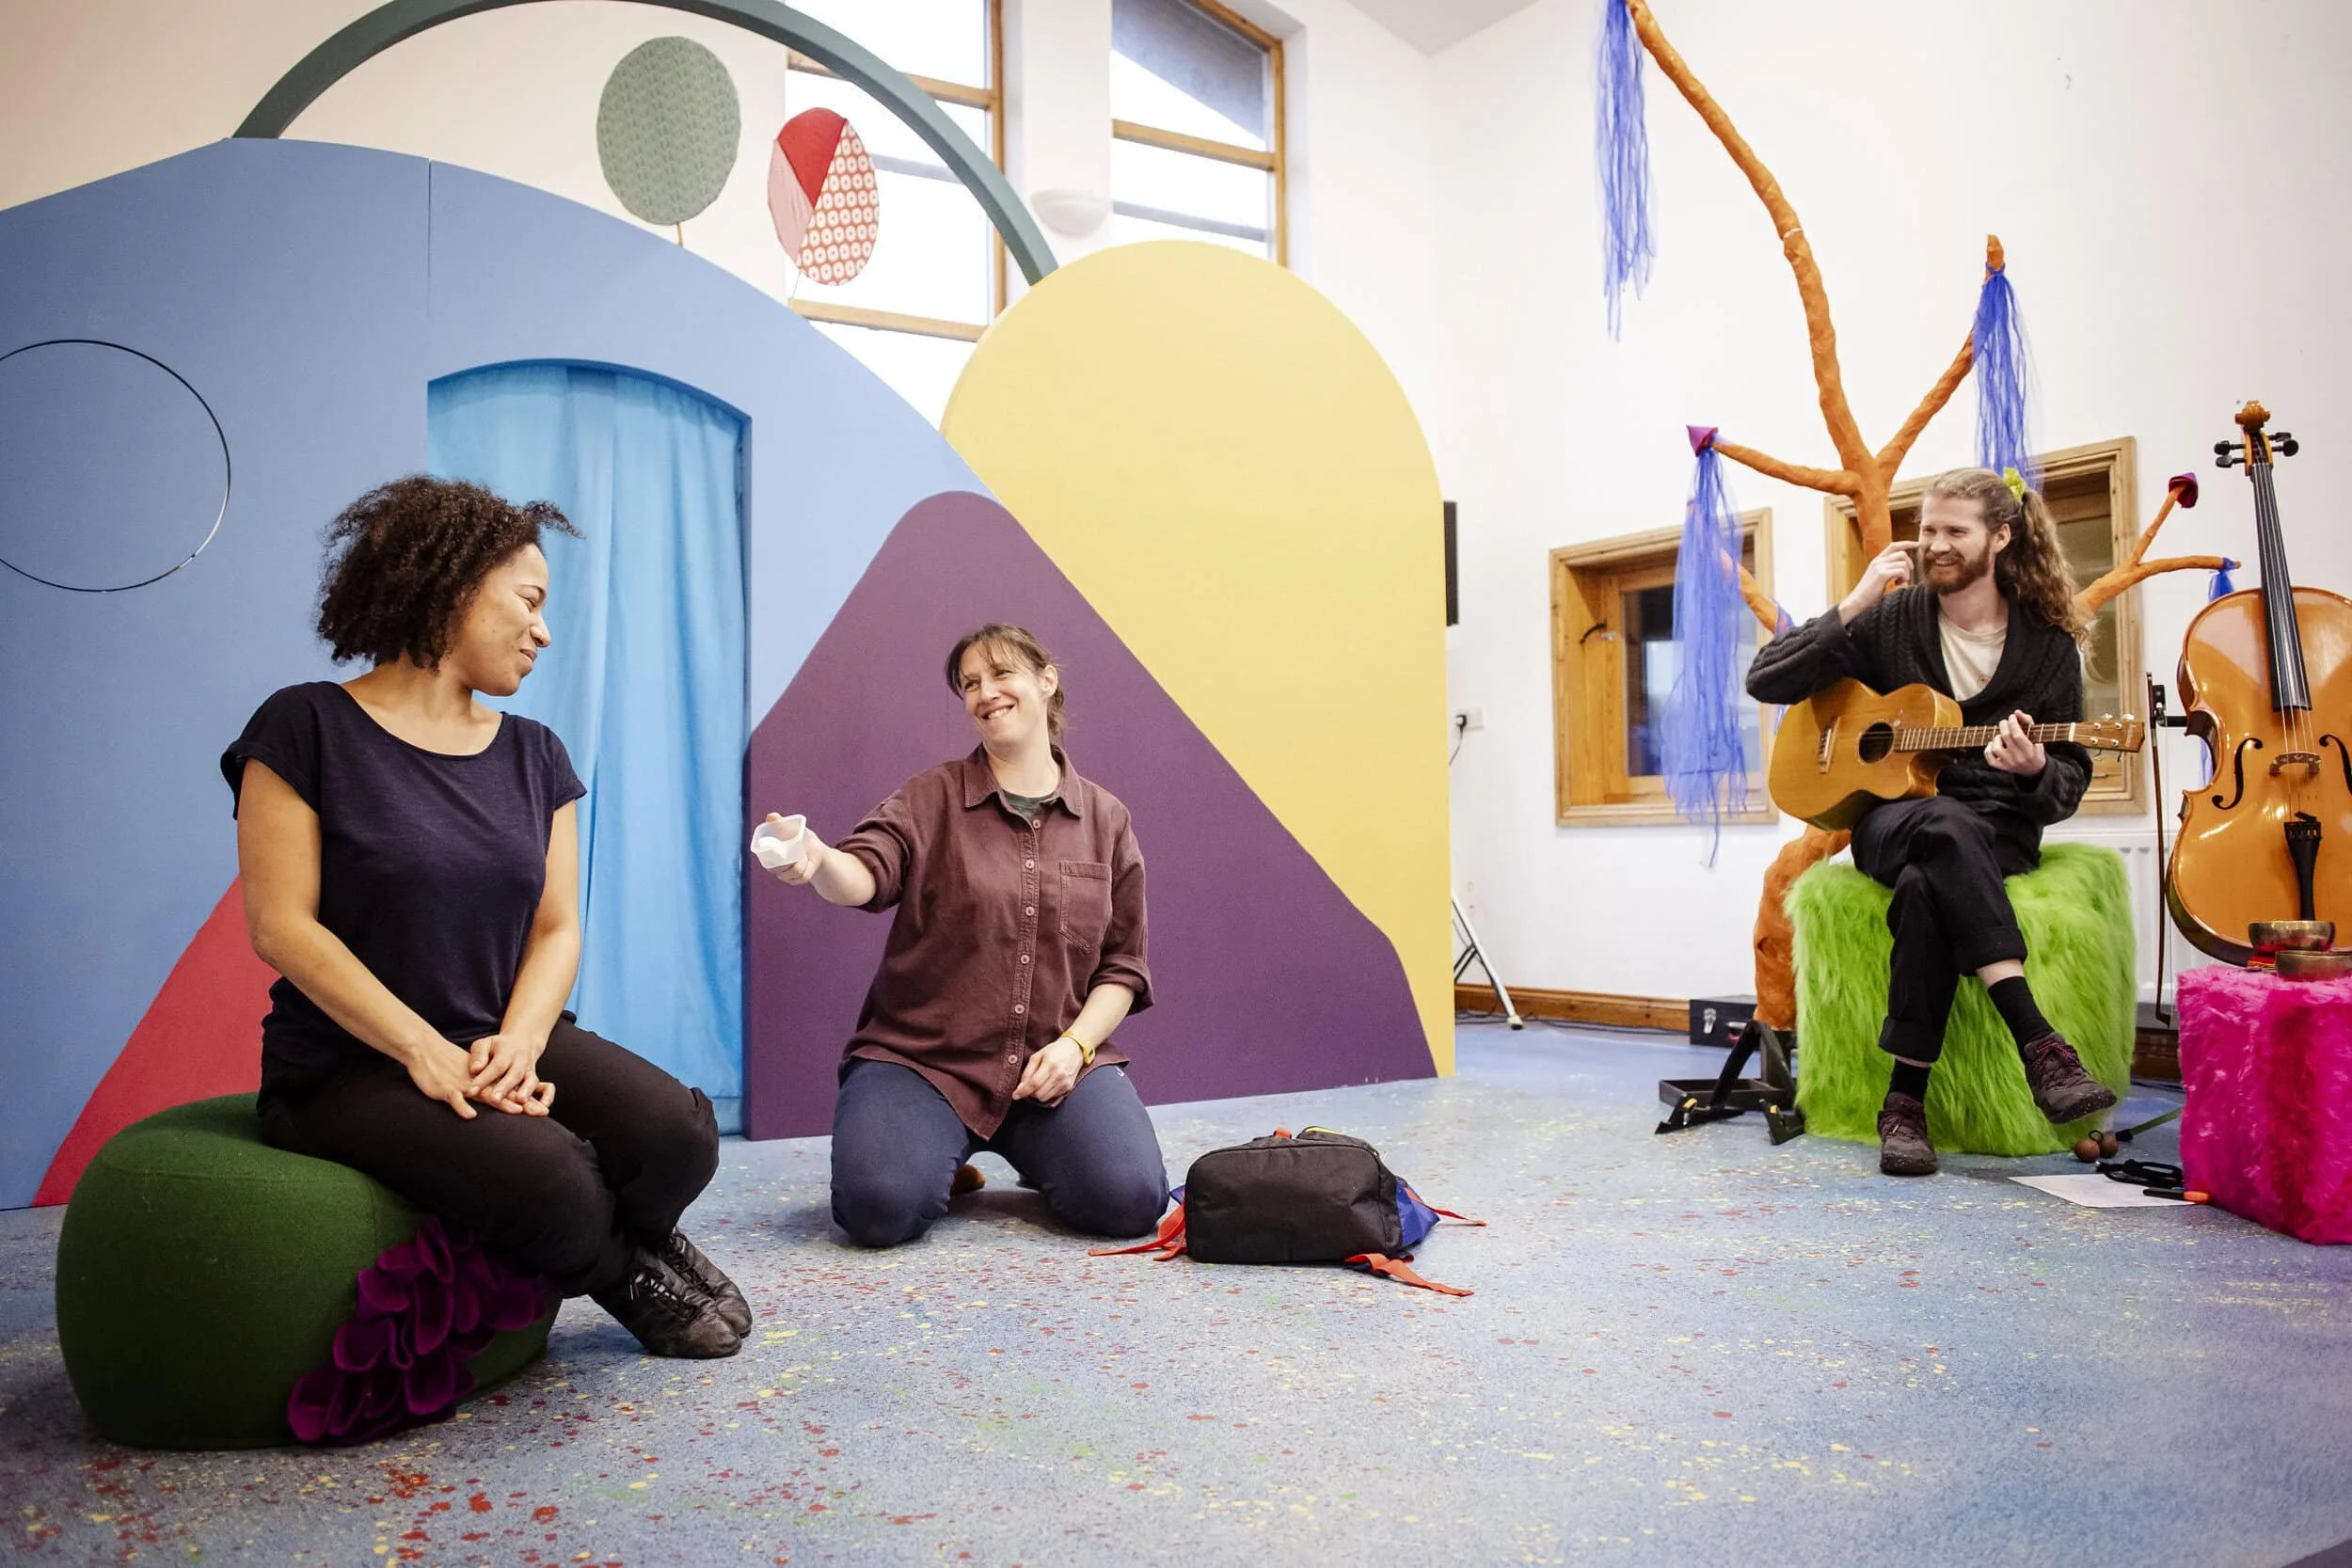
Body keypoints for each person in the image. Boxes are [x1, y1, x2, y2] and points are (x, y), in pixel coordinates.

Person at [223, 475, 747, 1357]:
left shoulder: (535, 753)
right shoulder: (305, 724)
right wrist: (424, 1051)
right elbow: (282, 925)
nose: (545, 630)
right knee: (558, 1181)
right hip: (349, 1066)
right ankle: (626, 1270)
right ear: (456, 583)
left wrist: (522, 1044)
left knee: (678, 1134)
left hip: (495, 1032)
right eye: (531, 601)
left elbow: (556, 929)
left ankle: (632, 1240)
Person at [1746, 467, 2119, 1176]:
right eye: (1928, 530)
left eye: (1955, 530)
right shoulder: (1890, 619)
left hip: (1998, 827)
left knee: (1926, 886)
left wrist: (2035, 771)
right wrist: (1854, 602)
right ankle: (2038, 1040)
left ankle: (1903, 1102)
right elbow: (1768, 679)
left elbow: (2069, 778)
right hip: (1891, 819)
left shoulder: (2047, 646)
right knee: (1937, 825)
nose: (1935, 544)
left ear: (2000, 537)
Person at [762, 624, 1170, 1247]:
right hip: (923, 1063)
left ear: (1045, 679)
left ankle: (1029, 1150)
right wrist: (816, 859)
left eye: (1001, 674)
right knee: (878, 1211)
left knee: (1131, 1201)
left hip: (1048, 1069)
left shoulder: (1107, 820)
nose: (985, 692)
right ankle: (938, 1155)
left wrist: (1076, 1049)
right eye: (970, 683)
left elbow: (1122, 967)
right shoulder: (930, 797)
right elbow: (865, 874)